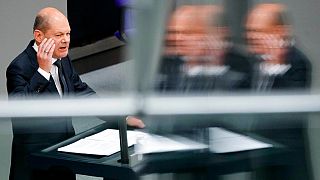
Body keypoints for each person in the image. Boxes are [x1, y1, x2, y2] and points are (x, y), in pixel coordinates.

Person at [6, 7, 144, 180]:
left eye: (68, 34)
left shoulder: (63, 59)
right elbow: (20, 111)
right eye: (58, 35)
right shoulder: (19, 67)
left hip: (64, 157)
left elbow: (82, 93)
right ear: (39, 36)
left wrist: (121, 118)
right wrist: (42, 71)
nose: (66, 41)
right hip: (36, 164)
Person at [245, 3, 312, 180]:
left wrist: (276, 63)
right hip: (261, 153)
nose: (252, 37)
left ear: (279, 31)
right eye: (250, 31)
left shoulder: (297, 61)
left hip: (287, 158)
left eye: (259, 31)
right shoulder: (254, 61)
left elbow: (289, 108)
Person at [157, 5, 251, 93]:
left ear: (216, 35)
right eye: (173, 32)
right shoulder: (163, 75)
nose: (178, 38)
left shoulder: (243, 77)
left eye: (189, 33)